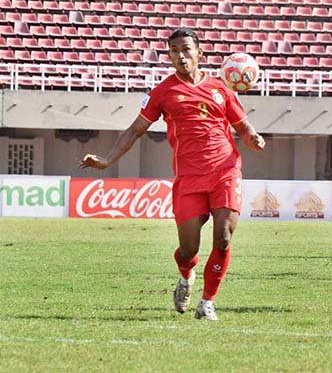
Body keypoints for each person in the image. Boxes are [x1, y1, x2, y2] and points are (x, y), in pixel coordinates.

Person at [79, 28, 265, 321]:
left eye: (186, 49)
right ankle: (186, 276)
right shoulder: (163, 93)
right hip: (189, 179)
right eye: (174, 51)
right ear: (169, 56)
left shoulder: (221, 88)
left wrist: (253, 137)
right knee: (188, 250)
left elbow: (243, 126)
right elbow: (134, 130)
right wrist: (107, 160)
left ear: (199, 53)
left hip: (225, 171)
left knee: (224, 236)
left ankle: (207, 303)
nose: (181, 56)